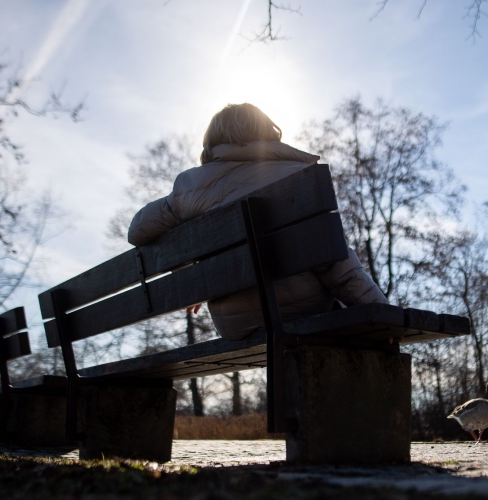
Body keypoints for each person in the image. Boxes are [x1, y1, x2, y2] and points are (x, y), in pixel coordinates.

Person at [128, 103, 388, 340]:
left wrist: (191, 273)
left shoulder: (188, 187)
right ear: (267, 131)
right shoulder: (297, 176)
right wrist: (385, 316)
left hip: (234, 325)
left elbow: (137, 230)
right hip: (302, 312)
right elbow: (337, 266)